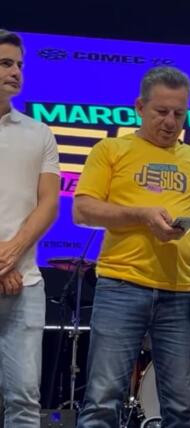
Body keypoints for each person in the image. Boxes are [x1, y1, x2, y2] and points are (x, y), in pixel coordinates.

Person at [74, 66, 190, 427]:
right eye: (161, 111)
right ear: (140, 107)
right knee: (103, 401)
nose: (170, 122)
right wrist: (142, 215)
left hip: (182, 291)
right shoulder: (112, 149)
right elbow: (83, 210)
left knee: (181, 407)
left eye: (179, 114)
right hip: (121, 286)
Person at [0, 29, 60, 427]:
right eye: (6, 63)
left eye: (19, 64)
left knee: (24, 398)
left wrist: (10, 255)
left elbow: (49, 203)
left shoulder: (39, 132)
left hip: (25, 283)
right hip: (11, 271)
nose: (16, 72)